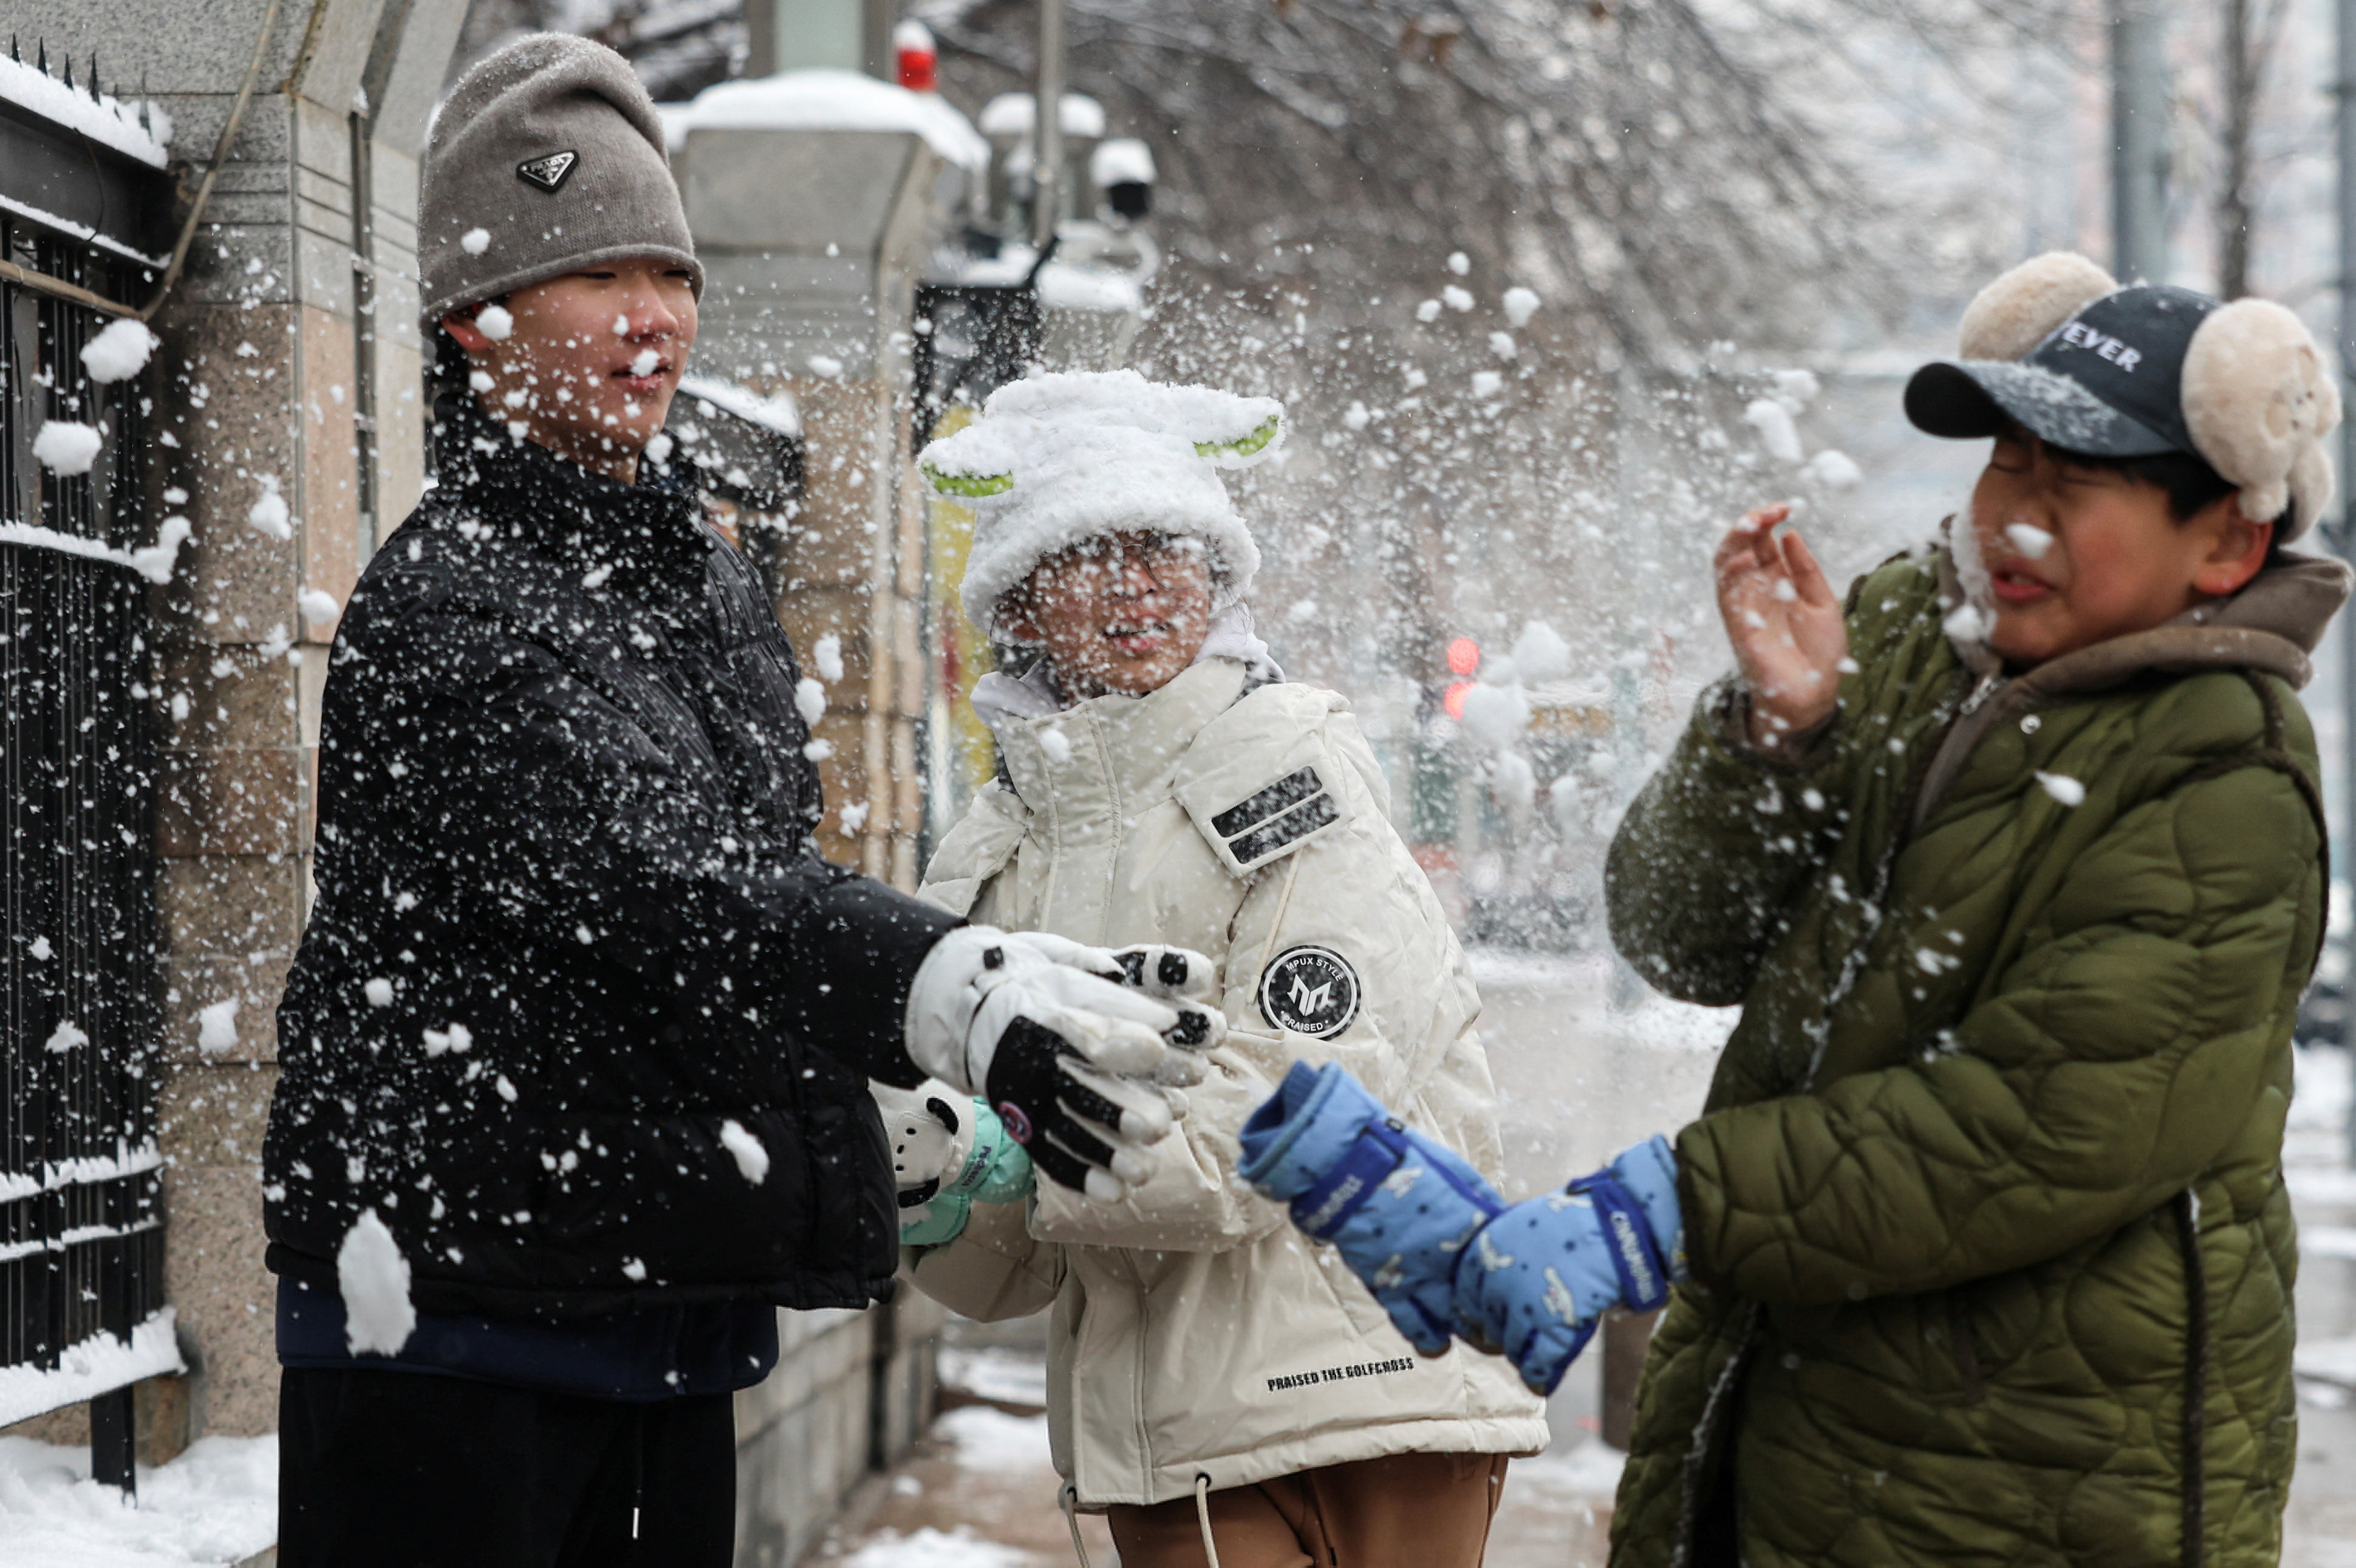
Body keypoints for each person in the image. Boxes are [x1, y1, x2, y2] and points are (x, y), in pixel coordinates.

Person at [261, 38, 1218, 1567]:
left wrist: (884, 1114)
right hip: (451, 1323)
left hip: (653, 1303)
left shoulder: (697, 567)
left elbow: (737, 920)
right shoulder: (455, 602)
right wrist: (941, 987)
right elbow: (669, 887)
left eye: (674, 272)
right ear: (473, 318)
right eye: (600, 275)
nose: (655, 318)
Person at [1239, 253, 2347, 1567]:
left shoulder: (2222, 770)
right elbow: (1673, 932)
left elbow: (2037, 1126)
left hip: (2032, 1474)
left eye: (2078, 483)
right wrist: (1780, 734)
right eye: (2006, 464)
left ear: (2222, 537)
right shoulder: (1897, 640)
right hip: (1775, 1400)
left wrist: (1669, 1206)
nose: (2015, 517)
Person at [885, 370, 1549, 1568]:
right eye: (1088, 550)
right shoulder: (994, 851)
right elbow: (1012, 1269)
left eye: (1171, 546)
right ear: (1020, 597)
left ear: (1221, 575)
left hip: (1366, 1399)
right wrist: (932, 1172)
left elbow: (1280, 1124)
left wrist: (1010, 1142)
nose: (1138, 581)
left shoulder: (1289, 775)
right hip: (1164, 1430)